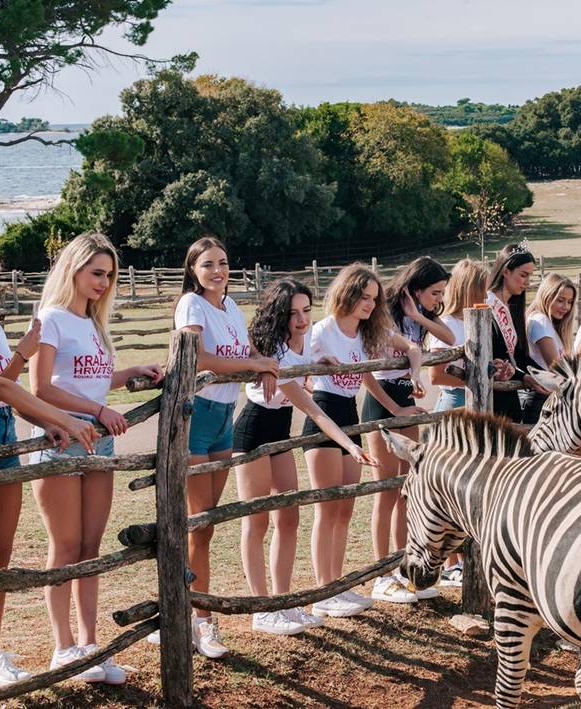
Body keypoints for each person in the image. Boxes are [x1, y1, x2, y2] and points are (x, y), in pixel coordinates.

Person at [0, 250, 94, 696]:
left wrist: (46, 420)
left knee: (2, 553)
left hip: (5, 434)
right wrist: (59, 414)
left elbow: (6, 397)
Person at [30, 233, 163, 684]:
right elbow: (42, 388)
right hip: (61, 440)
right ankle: (63, 647)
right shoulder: (51, 318)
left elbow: (92, 381)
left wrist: (131, 373)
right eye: (97, 273)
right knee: (65, 547)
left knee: (90, 546)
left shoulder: (92, 323)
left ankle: (90, 649)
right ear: (73, 270)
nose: (104, 283)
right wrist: (98, 411)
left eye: (109, 275)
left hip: (99, 442)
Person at [157, 235, 279, 655]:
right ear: (193, 270)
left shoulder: (230, 307)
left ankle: (186, 610)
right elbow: (201, 359)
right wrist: (254, 364)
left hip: (225, 417)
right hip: (195, 416)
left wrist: (263, 364)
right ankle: (199, 619)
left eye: (223, 263)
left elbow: (245, 352)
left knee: (205, 528)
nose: (217, 271)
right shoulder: (192, 305)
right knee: (198, 521)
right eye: (207, 264)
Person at [236, 278, 377, 635]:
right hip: (253, 432)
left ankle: (282, 602)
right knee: (257, 523)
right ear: (279, 315)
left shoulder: (306, 338)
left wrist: (319, 361)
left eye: (304, 311)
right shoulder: (276, 354)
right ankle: (261, 608)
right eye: (292, 313)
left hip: (280, 433)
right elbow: (313, 410)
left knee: (289, 521)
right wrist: (349, 444)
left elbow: (312, 360)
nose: (300, 319)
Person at [303, 264, 423, 618]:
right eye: (363, 297)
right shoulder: (323, 330)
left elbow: (412, 348)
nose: (369, 304)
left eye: (374, 298)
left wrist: (407, 390)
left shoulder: (370, 332)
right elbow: (300, 364)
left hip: (351, 417)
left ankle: (338, 585)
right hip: (325, 414)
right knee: (326, 509)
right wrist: (318, 362)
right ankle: (323, 590)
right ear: (347, 293)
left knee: (344, 510)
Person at [361, 257, 451, 604]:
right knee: (384, 493)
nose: (438, 299)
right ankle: (380, 574)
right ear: (416, 288)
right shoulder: (382, 312)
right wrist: (395, 407)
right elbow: (367, 371)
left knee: (404, 490)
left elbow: (450, 336)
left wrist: (418, 315)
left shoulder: (417, 316)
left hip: (407, 401)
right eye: (434, 293)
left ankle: (402, 567)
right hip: (383, 401)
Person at [486, 245, 542, 422]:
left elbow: (517, 353)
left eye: (529, 276)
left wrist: (544, 374)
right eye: (523, 275)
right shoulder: (487, 304)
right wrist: (524, 376)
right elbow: (493, 355)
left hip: (509, 392)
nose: (527, 282)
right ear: (505, 271)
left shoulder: (513, 308)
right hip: (490, 395)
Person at [429, 258, 488, 412]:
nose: (486, 296)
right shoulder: (447, 324)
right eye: (482, 289)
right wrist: (475, 381)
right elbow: (435, 376)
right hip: (455, 400)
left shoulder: (473, 322)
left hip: (475, 397)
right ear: (470, 290)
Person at [521, 273, 576, 423]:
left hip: (547, 395)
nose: (566, 307)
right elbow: (555, 365)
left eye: (570, 302)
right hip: (539, 396)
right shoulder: (540, 321)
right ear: (547, 295)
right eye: (560, 300)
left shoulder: (550, 325)